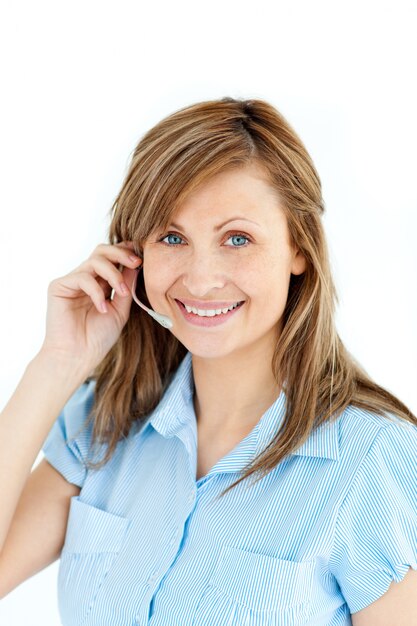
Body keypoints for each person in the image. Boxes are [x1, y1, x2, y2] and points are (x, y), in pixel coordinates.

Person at [0, 97, 416, 626]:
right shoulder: (106, 420)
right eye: (172, 237)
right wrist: (56, 364)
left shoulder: (373, 461)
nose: (199, 279)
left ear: (299, 249)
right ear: (136, 252)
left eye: (237, 238)